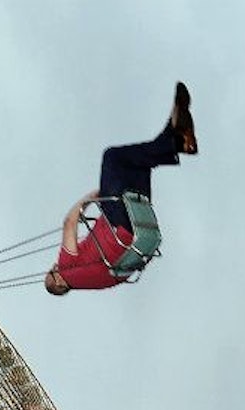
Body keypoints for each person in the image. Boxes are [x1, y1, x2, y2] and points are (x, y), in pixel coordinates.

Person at [45, 83, 197, 295]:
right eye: (52, 271)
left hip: (141, 228)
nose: (54, 266)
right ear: (59, 281)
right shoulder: (66, 267)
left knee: (140, 163)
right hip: (119, 223)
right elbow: (69, 223)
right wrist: (90, 198)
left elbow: (126, 271)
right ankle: (176, 140)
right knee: (112, 157)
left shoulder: (99, 284)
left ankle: (177, 134)